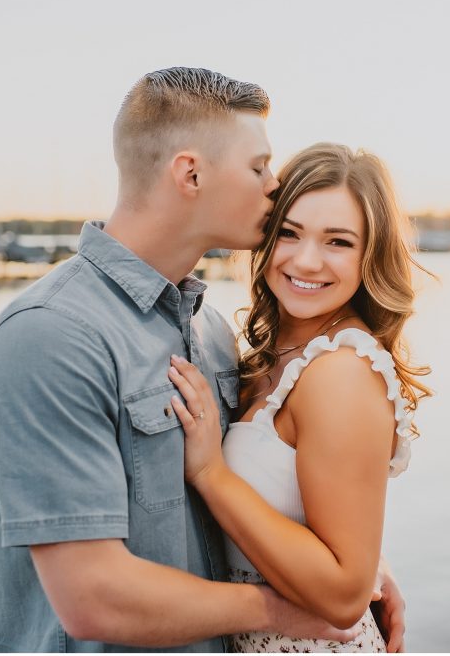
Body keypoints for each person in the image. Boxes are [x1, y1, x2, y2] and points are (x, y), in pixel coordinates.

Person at [0, 68, 406, 652]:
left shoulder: (208, 328)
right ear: (191, 173)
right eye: (258, 167)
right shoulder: (53, 336)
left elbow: (257, 492)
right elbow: (93, 596)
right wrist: (284, 608)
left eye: (337, 240)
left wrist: (353, 565)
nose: (274, 185)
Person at [166, 142, 432, 652]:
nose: (307, 261)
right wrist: (372, 560)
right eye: (289, 233)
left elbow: (342, 597)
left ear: (369, 255)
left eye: (338, 241)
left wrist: (211, 474)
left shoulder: (341, 371)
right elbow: (316, 520)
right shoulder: (276, 351)